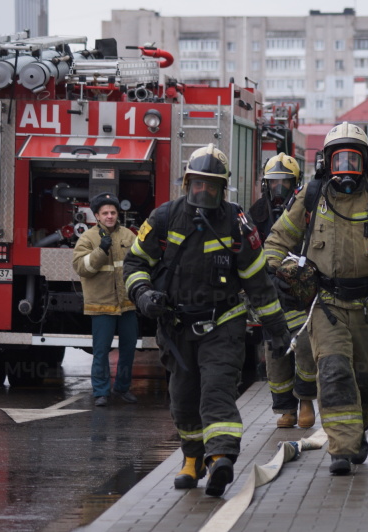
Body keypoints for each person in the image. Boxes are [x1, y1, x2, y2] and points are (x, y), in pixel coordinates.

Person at [123, 144, 290, 497]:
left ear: (222, 188)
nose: (204, 191)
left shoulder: (236, 222)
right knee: (183, 398)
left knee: (216, 389)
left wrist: (277, 330)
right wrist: (143, 295)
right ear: (188, 183)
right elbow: (135, 264)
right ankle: (192, 459)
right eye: (198, 184)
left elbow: (258, 280)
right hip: (176, 326)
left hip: (223, 323)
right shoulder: (164, 218)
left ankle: (220, 458)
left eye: (211, 185)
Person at [263, 122, 368, 475]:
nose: (346, 168)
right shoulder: (312, 197)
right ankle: (341, 450)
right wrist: (278, 272)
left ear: (364, 161)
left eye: (354, 159)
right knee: (333, 373)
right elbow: (276, 241)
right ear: (327, 162)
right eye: (340, 160)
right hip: (326, 305)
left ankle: (355, 434)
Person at [249, 153, 317, 429]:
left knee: (302, 346)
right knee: (275, 351)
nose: (279, 190)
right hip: (269, 292)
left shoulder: (306, 211)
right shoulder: (256, 213)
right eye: (273, 183)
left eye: (285, 183)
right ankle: (285, 408)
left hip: (299, 290)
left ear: (295, 184)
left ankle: (306, 401)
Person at [72, 192, 139, 407]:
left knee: (128, 350)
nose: (110, 216)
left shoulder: (129, 236)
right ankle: (101, 392)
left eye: (113, 212)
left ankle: (122, 388)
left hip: (127, 303)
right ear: (97, 216)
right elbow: (82, 268)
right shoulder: (88, 238)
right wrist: (101, 250)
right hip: (101, 304)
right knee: (101, 351)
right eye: (105, 213)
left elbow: (140, 262)